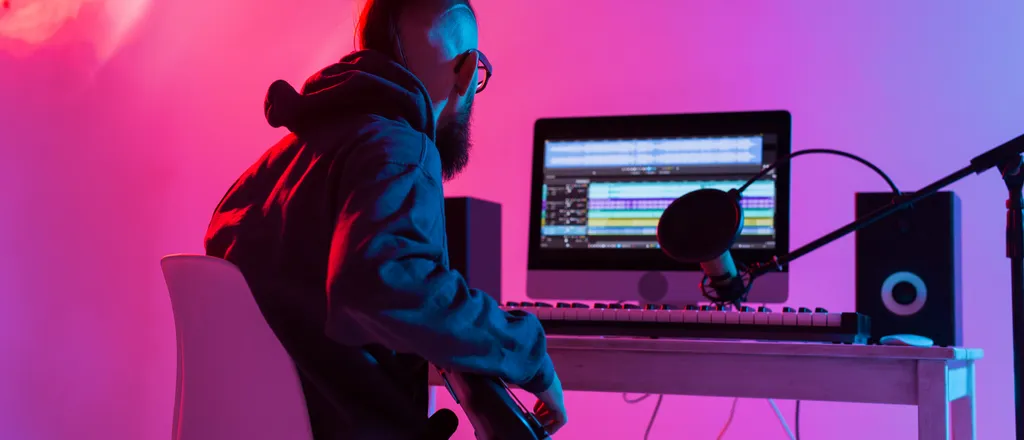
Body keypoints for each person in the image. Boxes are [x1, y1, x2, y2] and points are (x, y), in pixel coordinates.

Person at [203, 0, 567, 438]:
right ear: (467, 72)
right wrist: (529, 353)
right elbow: (384, 282)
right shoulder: (400, 148)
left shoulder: (276, 164)